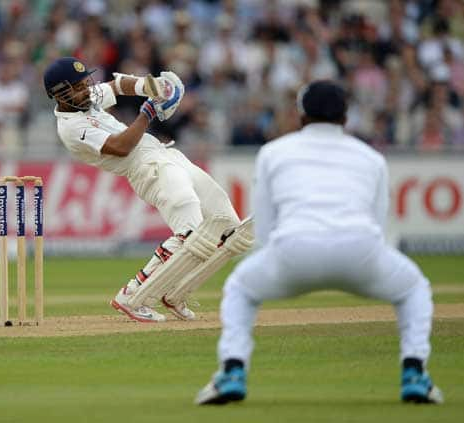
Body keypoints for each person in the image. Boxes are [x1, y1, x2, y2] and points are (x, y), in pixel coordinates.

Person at [195, 80, 443, 405]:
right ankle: (414, 373)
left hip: (293, 249)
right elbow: (379, 224)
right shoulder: (371, 158)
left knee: (241, 287)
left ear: (301, 117)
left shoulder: (273, 153)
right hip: (361, 249)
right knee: (414, 288)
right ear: (345, 118)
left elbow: (266, 228)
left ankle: (232, 370)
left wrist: (278, 262)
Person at [43, 57, 240, 323]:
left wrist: (149, 86)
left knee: (226, 224)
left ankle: (176, 294)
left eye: (84, 83)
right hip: (145, 168)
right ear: (59, 95)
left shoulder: (86, 96)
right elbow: (122, 146)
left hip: (166, 156)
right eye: (77, 87)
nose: (86, 90)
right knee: (190, 232)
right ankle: (131, 295)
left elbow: (116, 85)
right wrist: (148, 112)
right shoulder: (71, 127)